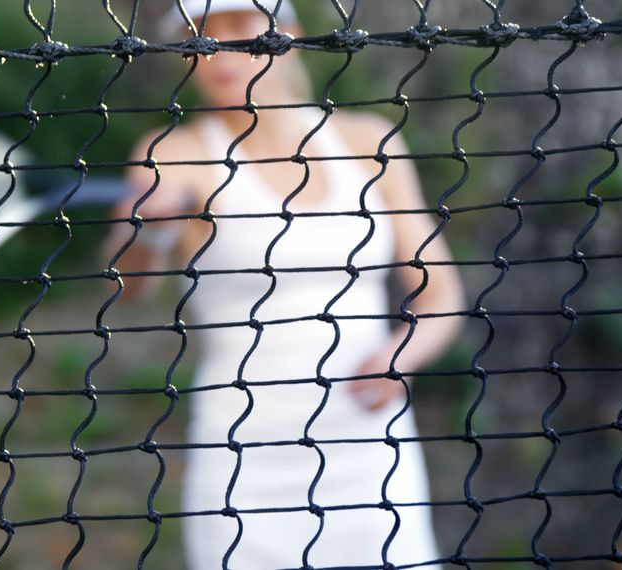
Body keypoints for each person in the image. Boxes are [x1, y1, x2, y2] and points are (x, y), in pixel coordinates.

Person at [101, 1, 466, 567]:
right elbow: (128, 287)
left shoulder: (370, 141)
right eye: (199, 36)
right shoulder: (171, 154)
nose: (217, 50)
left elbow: (440, 294)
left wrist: (401, 354)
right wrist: (146, 233)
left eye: (238, 27)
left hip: (371, 451)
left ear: (286, 33)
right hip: (243, 458)